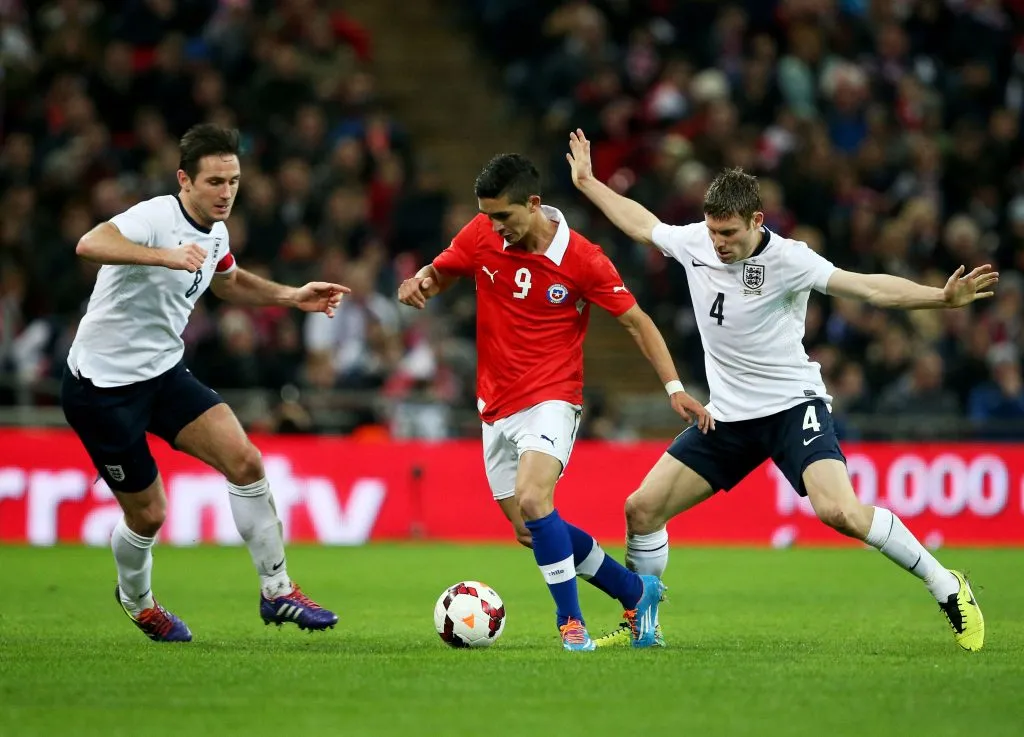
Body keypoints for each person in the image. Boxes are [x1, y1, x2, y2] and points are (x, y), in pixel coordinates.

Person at [567, 128, 992, 652]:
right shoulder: (697, 242)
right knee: (641, 509)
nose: (718, 243)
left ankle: (946, 584)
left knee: (840, 512)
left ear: (756, 222)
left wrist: (940, 299)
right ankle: (642, 624)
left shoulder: (791, 260)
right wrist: (588, 182)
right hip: (728, 418)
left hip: (794, 409)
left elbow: (869, 286)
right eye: (713, 231)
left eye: (729, 233)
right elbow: (642, 223)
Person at [398, 153, 713, 650]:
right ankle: (635, 592)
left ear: (535, 203)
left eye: (504, 216)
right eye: (488, 216)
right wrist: (420, 283)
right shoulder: (482, 233)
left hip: (551, 396)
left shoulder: (583, 258)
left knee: (534, 498)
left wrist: (675, 388)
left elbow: (637, 322)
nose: (495, 227)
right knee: (532, 529)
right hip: (494, 404)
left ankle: (572, 625)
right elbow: (443, 269)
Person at [62, 124, 348, 642]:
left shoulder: (216, 231)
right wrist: (164, 256)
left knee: (246, 461)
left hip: (164, 374)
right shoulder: (154, 217)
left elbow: (229, 280)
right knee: (149, 515)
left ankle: (277, 592)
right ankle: (138, 601)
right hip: (102, 389)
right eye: (215, 181)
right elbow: (89, 242)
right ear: (184, 180)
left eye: (233, 180)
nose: (226, 192)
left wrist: (292, 296)